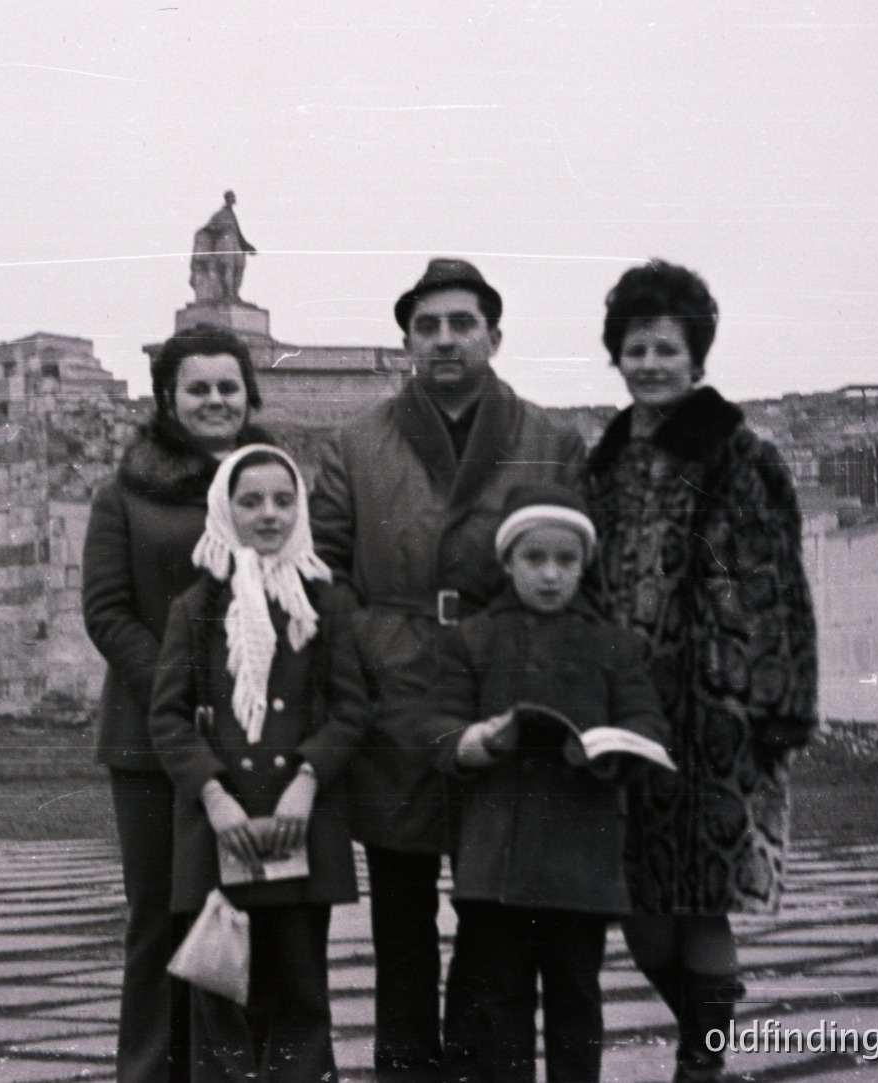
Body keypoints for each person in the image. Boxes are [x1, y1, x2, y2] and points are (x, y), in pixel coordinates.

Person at [310, 258, 588, 1082]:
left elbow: (576, 571)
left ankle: (481, 1068)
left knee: (493, 909)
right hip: (391, 693)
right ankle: (404, 1067)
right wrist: (368, 646)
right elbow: (322, 570)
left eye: (461, 323)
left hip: (500, 694)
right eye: (426, 326)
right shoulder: (356, 444)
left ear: (493, 335)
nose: (443, 339)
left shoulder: (548, 440)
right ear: (405, 341)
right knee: (399, 912)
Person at [584, 260, 819, 1083]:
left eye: (666, 349)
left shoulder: (734, 455)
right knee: (643, 912)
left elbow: (763, 584)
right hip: (623, 720)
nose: (649, 363)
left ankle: (701, 1067)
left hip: (713, 712)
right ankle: (708, 1042)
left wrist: (763, 704)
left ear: (697, 358)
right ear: (616, 355)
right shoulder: (604, 462)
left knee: (701, 898)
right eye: (635, 348)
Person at [421, 484, 672, 1083]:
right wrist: (479, 739)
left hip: (580, 861)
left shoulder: (612, 644)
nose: (552, 575)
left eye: (567, 561)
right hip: (495, 862)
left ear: (586, 565)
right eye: (535, 560)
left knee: (576, 1002)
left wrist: (608, 750)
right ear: (508, 563)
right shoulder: (473, 638)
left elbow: (647, 725)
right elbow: (434, 727)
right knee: (499, 1006)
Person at [82, 324, 273, 1083]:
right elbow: (107, 611)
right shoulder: (124, 493)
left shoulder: (271, 486)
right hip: (152, 743)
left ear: (248, 393)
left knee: (244, 917)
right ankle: (151, 1071)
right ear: (168, 397)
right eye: (197, 387)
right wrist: (178, 691)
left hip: (255, 740)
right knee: (161, 919)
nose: (215, 400)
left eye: (228, 386)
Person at [150, 444, 368, 1083]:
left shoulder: (324, 604)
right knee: (221, 997)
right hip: (223, 833)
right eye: (250, 501)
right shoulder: (196, 609)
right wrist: (214, 799)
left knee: (301, 995)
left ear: (299, 508)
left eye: (282, 500)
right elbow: (167, 716)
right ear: (225, 509)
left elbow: (350, 709)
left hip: (299, 826)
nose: (268, 515)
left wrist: (307, 780)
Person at [191, 191, 258, 303]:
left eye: (233, 197)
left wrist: (248, 246)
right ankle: (228, 293)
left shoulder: (232, 214)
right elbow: (209, 228)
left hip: (234, 244)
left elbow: (238, 234)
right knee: (228, 267)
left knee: (239, 267)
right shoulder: (219, 214)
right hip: (224, 243)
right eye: (230, 197)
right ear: (226, 199)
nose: (232, 199)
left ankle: (234, 293)